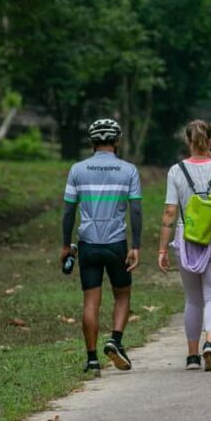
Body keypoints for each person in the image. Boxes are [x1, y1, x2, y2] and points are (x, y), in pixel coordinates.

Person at [157, 120, 211, 371]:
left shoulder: (176, 171)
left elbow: (170, 212)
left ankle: (193, 356)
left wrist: (163, 248)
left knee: (193, 300)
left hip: (187, 241)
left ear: (188, 141)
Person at [61, 119, 142, 376]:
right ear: (117, 141)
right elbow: (136, 210)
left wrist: (65, 244)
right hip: (116, 243)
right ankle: (115, 340)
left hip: (88, 244)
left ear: (91, 142)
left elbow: (68, 211)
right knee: (122, 295)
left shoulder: (77, 170)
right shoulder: (128, 170)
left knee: (90, 302)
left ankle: (92, 359)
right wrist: (136, 245)